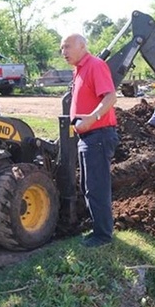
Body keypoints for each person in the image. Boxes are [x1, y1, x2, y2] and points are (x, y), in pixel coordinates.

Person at [60, 33, 119, 248]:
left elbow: (110, 97)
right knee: (89, 186)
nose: (63, 52)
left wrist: (92, 118)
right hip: (89, 137)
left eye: (67, 47)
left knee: (97, 187)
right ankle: (99, 230)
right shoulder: (79, 70)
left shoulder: (95, 65)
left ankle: (103, 236)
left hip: (99, 135)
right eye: (62, 48)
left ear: (82, 46)